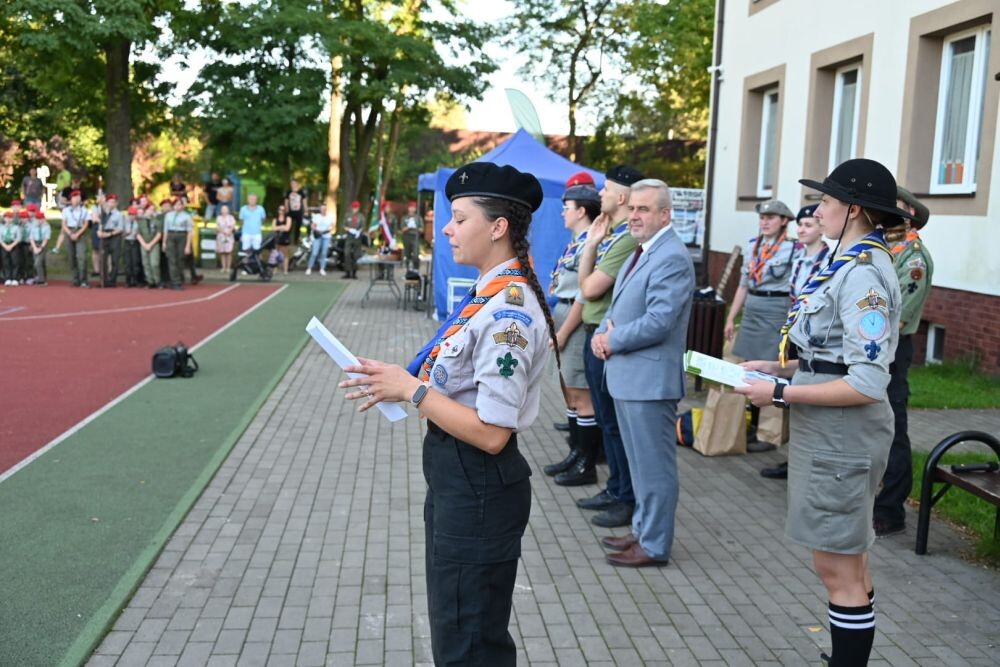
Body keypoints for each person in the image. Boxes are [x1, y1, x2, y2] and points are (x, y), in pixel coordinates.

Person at [338, 162, 553, 666]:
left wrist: (412, 392)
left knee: (468, 644)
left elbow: (493, 433)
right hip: (460, 480)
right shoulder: (489, 292)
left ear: (498, 227)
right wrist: (399, 382)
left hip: (478, 482)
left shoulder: (507, 312)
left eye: (458, 218)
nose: (448, 229)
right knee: (460, 631)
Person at [735, 158, 911, 666]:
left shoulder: (864, 275)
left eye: (828, 201)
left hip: (843, 439)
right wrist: (780, 368)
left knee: (838, 570)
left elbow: (867, 381)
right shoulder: (848, 263)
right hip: (831, 435)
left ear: (853, 209)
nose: (819, 209)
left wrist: (782, 396)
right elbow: (830, 356)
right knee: (848, 565)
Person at [593, 178, 695, 567]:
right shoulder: (643, 251)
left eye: (644, 210)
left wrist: (612, 342)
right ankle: (642, 530)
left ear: (665, 214)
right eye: (632, 208)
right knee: (638, 467)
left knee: (654, 470)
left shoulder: (670, 256)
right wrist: (602, 335)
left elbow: (659, 321)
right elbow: (621, 308)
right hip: (630, 378)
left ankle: (654, 545)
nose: (634, 216)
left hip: (649, 383)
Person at [572, 165, 644, 528]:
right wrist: (591, 244)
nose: (598, 194)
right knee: (607, 421)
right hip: (595, 333)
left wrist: (591, 246)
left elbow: (588, 290)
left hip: (607, 337)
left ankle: (624, 495)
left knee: (614, 424)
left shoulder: (627, 239)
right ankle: (616, 488)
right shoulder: (611, 234)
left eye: (605, 189)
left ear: (621, 197)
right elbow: (585, 287)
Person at [872, 186, 934, 537]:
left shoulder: (912, 258)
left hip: (893, 348)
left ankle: (891, 509)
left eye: (891, 204)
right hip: (873, 345)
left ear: (908, 211)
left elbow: (897, 315)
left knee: (893, 427)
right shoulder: (881, 249)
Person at [724, 199, 802, 452]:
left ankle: (768, 435)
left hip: (776, 310)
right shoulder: (752, 247)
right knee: (749, 369)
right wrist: (730, 317)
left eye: (771, 217)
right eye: (762, 218)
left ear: (783, 222)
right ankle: (751, 424)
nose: (765, 222)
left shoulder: (794, 248)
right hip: (753, 309)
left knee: (772, 369)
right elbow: (743, 284)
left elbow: (798, 287)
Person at [761, 203, 831, 479]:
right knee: (795, 388)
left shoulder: (828, 260)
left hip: (815, 334)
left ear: (821, 228)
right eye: (800, 225)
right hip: (796, 330)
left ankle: (807, 460)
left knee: (806, 390)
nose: (802, 230)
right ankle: (794, 456)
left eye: (808, 225)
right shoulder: (800, 257)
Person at [543, 175, 601, 485]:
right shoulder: (578, 241)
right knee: (570, 391)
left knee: (581, 393)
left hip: (576, 319)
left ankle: (586, 464)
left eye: (567, 207)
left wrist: (564, 332)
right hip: (564, 312)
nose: (563, 212)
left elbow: (583, 293)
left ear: (581, 211)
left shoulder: (592, 242)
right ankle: (575, 454)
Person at [162, 197, 194, 290]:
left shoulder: (187, 216)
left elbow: (189, 231)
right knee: (171, 259)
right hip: (171, 235)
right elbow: (165, 229)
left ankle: (179, 278)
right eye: (176, 204)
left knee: (180, 259)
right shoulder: (168, 215)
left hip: (182, 235)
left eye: (180, 204)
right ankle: (175, 281)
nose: (177, 206)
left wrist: (188, 245)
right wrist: (164, 242)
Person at [62, 190, 90, 287]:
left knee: (81, 256)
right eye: (74, 197)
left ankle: (84, 280)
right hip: (69, 231)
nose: (77, 199)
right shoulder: (66, 210)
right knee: (71, 257)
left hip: (80, 232)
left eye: (78, 197)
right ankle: (75, 279)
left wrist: (77, 234)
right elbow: (64, 224)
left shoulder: (84, 210)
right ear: (71, 199)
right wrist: (70, 233)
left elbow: (86, 224)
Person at [96, 193, 124, 286]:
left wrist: (109, 234)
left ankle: (112, 280)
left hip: (114, 235)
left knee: (115, 259)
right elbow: (98, 222)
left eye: (113, 202)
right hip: (104, 234)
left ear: (116, 203)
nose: (111, 204)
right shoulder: (102, 212)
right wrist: (100, 232)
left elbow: (120, 229)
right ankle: (104, 280)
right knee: (103, 258)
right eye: (110, 202)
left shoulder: (119, 214)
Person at [137, 200, 163, 289]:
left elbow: (159, 234)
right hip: (143, 243)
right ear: (146, 210)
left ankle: (157, 281)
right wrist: (144, 244)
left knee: (154, 263)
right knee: (146, 263)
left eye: (153, 210)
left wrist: (151, 244)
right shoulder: (140, 221)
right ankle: (149, 281)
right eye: (150, 209)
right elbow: (138, 234)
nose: (152, 211)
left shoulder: (157, 221)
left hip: (154, 243)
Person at [238, 193, 266, 264]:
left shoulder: (261, 209)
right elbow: (241, 220)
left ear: (256, 200)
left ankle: (260, 267)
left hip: (257, 233)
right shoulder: (243, 209)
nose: (252, 200)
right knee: (246, 251)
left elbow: (263, 219)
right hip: (246, 233)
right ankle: (246, 268)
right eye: (251, 199)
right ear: (248, 200)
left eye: (254, 199)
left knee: (258, 251)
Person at [305, 203, 332, 276]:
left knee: (324, 253)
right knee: (314, 252)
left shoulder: (329, 217)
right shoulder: (317, 217)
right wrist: (317, 230)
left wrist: (325, 231)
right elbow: (313, 225)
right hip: (317, 236)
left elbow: (331, 227)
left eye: (325, 209)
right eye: (322, 209)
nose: (323, 210)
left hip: (326, 236)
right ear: (320, 209)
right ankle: (309, 268)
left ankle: (322, 268)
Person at [343, 200, 365, 279]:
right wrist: (349, 229)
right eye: (354, 207)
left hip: (357, 238)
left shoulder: (361, 216)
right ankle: (347, 272)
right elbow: (344, 225)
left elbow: (363, 226)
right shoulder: (347, 215)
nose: (355, 209)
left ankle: (354, 273)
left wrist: (359, 232)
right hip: (349, 237)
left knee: (356, 255)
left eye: (357, 208)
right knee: (347, 253)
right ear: (352, 208)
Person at [28, 210, 51, 285]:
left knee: (38, 262)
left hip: (42, 244)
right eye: (38, 219)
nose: (39, 220)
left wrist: (40, 248)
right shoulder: (33, 226)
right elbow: (31, 238)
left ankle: (41, 280)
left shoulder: (47, 227)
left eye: (41, 219)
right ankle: (38, 277)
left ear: (44, 219)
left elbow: (46, 239)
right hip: (35, 244)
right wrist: (34, 248)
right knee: (37, 262)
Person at [122, 206, 142, 287]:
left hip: (135, 242)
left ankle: (135, 280)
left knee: (135, 261)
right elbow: (121, 234)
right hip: (127, 241)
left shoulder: (138, 222)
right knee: (128, 262)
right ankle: (128, 280)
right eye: (130, 214)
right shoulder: (124, 221)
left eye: (133, 214)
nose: (132, 216)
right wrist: (126, 233)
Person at [400, 201, 422, 272]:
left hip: (415, 237)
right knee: (407, 254)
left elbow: (422, 230)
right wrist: (408, 227)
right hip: (406, 237)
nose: (412, 209)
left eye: (413, 207)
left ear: (415, 209)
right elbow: (402, 229)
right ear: (408, 208)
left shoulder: (418, 218)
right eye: (410, 207)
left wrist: (415, 227)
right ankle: (408, 271)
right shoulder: (404, 218)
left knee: (416, 254)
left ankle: (416, 270)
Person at [0, 211, 21, 285]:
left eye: (10, 218)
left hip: (14, 245)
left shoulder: (16, 227)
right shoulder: (1, 227)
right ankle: (7, 278)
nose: (8, 219)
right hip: (4, 245)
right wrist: (5, 246)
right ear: (4, 218)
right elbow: (0, 238)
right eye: (6, 217)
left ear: (12, 219)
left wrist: (11, 245)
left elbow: (18, 238)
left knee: (15, 262)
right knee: (6, 262)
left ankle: (15, 278)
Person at [284, 179, 307, 246]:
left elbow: (304, 202)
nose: (293, 184)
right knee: (289, 226)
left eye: (294, 183)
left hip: (299, 212)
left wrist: (306, 211)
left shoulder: (301, 192)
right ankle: (287, 239)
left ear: (297, 184)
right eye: (292, 183)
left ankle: (296, 240)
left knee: (298, 227)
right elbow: (286, 202)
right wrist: (287, 210)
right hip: (290, 212)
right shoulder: (289, 192)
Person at [215, 204, 236, 273]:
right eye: (223, 209)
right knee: (222, 252)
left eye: (225, 209)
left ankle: (228, 267)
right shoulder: (219, 218)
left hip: (229, 236)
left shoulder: (231, 218)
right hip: (221, 236)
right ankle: (223, 267)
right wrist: (223, 231)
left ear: (228, 210)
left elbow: (233, 226)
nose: (224, 211)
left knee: (229, 252)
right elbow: (217, 226)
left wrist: (229, 231)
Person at [272, 204, 292, 274]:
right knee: (275, 253)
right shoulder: (275, 218)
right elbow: (273, 228)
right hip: (277, 237)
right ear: (278, 210)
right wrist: (282, 226)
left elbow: (287, 228)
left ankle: (285, 270)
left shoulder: (288, 218)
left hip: (285, 238)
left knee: (286, 254)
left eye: (283, 210)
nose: (282, 211)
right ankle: (275, 269)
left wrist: (279, 227)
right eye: (280, 210)